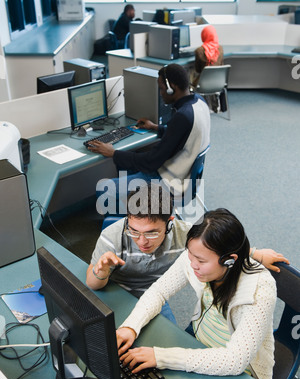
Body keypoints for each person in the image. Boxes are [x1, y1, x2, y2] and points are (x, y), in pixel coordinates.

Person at [116, 208, 281, 379]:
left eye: (201, 261)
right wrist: (130, 327)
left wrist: (161, 357)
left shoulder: (259, 290)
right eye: (190, 254)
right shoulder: (197, 255)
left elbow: (235, 360)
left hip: (239, 371)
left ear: (230, 260)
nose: (193, 264)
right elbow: (159, 291)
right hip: (197, 340)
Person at [87, 184, 289, 323]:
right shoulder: (112, 235)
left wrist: (255, 254)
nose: (141, 241)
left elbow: (219, 247)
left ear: (170, 222)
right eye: (134, 231)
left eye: (151, 233)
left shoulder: (184, 233)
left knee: (168, 342)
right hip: (116, 295)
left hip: (156, 295)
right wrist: (102, 272)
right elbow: (92, 284)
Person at [88, 64, 211, 215]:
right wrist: (156, 128)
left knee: (104, 190)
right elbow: (186, 135)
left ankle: (133, 224)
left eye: (161, 88)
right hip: (185, 176)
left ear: (171, 87)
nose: (160, 93)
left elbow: (151, 161)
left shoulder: (183, 116)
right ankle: (135, 206)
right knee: (126, 164)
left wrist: (114, 153)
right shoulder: (199, 102)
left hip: (168, 181)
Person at [192, 25, 224, 112]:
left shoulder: (199, 51)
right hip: (218, 83)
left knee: (190, 78)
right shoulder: (220, 49)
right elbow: (221, 64)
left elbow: (198, 70)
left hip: (203, 84)